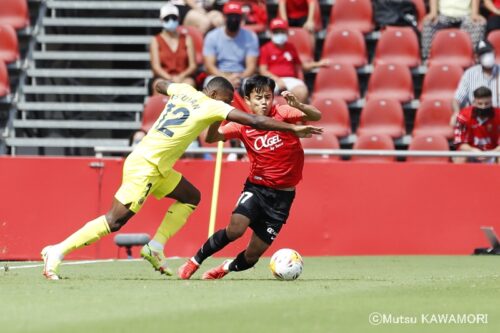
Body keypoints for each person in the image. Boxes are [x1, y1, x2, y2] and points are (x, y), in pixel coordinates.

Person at [40, 77, 323, 280]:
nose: (224, 109)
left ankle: (156, 246)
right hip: (147, 167)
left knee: (191, 197)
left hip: (157, 164)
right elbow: (257, 122)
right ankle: (57, 251)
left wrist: (172, 89)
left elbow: (159, 85)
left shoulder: (184, 90)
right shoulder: (213, 106)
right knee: (115, 220)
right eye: (225, 103)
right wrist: (294, 131)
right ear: (216, 97)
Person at [177, 75, 321, 280]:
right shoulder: (242, 124)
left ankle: (225, 268)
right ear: (247, 100)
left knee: (252, 256)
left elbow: (316, 115)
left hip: (282, 199)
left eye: (268, 97)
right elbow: (211, 138)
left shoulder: (283, 111)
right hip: (256, 188)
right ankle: (194, 261)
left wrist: (299, 105)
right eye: (258, 98)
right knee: (235, 229)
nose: (264, 102)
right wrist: (217, 115)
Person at [259, 18, 328, 103]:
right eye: (276, 32)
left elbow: (301, 66)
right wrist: (277, 80)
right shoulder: (265, 48)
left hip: (291, 80)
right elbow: (263, 70)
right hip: (272, 80)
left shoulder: (291, 47)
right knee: (265, 95)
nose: (279, 34)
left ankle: (295, 115)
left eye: (282, 31)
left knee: (302, 92)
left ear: (287, 33)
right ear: (271, 33)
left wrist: (318, 64)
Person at [203, 1, 259, 90]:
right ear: (223, 17)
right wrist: (225, 79)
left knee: (253, 86)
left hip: (240, 75)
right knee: (210, 83)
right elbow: (209, 65)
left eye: (236, 16)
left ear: (241, 18)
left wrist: (239, 77)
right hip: (219, 74)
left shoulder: (251, 36)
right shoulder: (212, 36)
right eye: (230, 16)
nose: (233, 19)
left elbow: (251, 66)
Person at [150, 3, 197, 89]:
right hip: (163, 78)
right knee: (159, 86)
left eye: (174, 18)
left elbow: (193, 65)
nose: (170, 20)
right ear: (161, 20)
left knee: (189, 85)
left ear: (178, 19)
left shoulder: (187, 39)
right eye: (167, 18)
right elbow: (156, 67)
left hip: (183, 78)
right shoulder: (155, 40)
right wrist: (170, 78)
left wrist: (180, 77)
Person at [452, 40, 499, 125]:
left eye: (488, 52)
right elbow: (456, 100)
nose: (487, 56)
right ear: (477, 57)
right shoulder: (470, 74)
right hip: (477, 121)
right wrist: (457, 113)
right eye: (483, 54)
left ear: (494, 52)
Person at [421, 0, 486, 59]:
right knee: (428, 23)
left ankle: (475, 59)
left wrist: (474, 13)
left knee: (479, 24)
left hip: (465, 14)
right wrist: (433, 12)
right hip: (444, 14)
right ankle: (427, 59)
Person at [453, 86, 500, 163]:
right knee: (461, 157)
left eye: (487, 103)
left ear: (491, 101)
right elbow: (460, 143)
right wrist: (473, 151)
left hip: (493, 152)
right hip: (471, 152)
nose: (483, 106)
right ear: (474, 102)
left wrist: (492, 152)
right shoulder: (464, 115)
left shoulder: (498, 115)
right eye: (480, 103)